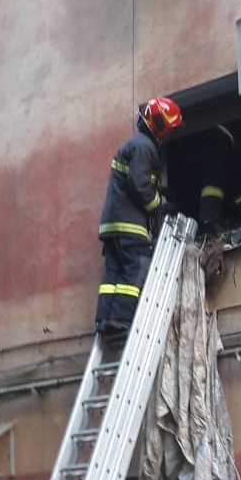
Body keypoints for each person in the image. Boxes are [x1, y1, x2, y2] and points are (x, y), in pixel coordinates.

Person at [95, 96, 183, 335]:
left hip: (112, 225)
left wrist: (161, 190)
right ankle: (121, 320)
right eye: (166, 129)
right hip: (129, 225)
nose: (166, 135)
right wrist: (159, 206)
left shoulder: (134, 145)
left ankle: (104, 320)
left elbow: (134, 180)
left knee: (113, 275)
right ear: (156, 124)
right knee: (136, 268)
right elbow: (139, 184)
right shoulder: (144, 146)